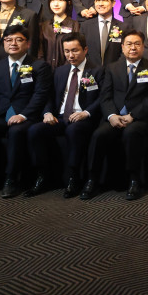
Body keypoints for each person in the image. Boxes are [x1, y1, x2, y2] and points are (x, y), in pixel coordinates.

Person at [0, 26, 52, 198]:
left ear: (28, 44)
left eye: (18, 40)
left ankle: (11, 179)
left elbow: (40, 95)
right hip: (1, 115)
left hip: (27, 115)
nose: (13, 43)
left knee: (16, 131)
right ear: (3, 43)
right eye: (8, 40)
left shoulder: (39, 66)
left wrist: (23, 115)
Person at [86, 29, 148, 201]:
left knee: (131, 133)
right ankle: (92, 179)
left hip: (140, 118)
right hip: (115, 116)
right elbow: (105, 96)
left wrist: (133, 116)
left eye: (137, 44)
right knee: (99, 135)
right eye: (129, 44)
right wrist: (111, 116)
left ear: (143, 47)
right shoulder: (112, 68)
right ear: (122, 47)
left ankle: (134, 180)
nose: (133, 48)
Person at [26, 32, 104, 198]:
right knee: (35, 131)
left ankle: (73, 178)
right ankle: (42, 176)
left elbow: (103, 98)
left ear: (85, 50)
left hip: (83, 117)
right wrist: (47, 112)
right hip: (60, 117)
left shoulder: (97, 70)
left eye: (75, 50)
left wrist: (86, 112)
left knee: (73, 130)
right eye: (67, 51)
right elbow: (49, 95)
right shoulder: (60, 71)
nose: (70, 55)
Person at [37, 0, 80, 70]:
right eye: (52, 0)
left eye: (60, 0)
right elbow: (40, 52)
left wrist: (64, 70)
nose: (56, 4)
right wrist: (43, 68)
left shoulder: (75, 25)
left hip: (67, 70)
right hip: (46, 70)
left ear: (68, 3)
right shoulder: (44, 26)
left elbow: (76, 50)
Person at [82, 0, 124, 68]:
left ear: (113, 3)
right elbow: (82, 51)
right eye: (97, 0)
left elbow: (124, 52)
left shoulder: (123, 27)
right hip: (91, 71)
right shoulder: (85, 26)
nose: (100, 4)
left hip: (115, 71)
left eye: (105, 0)